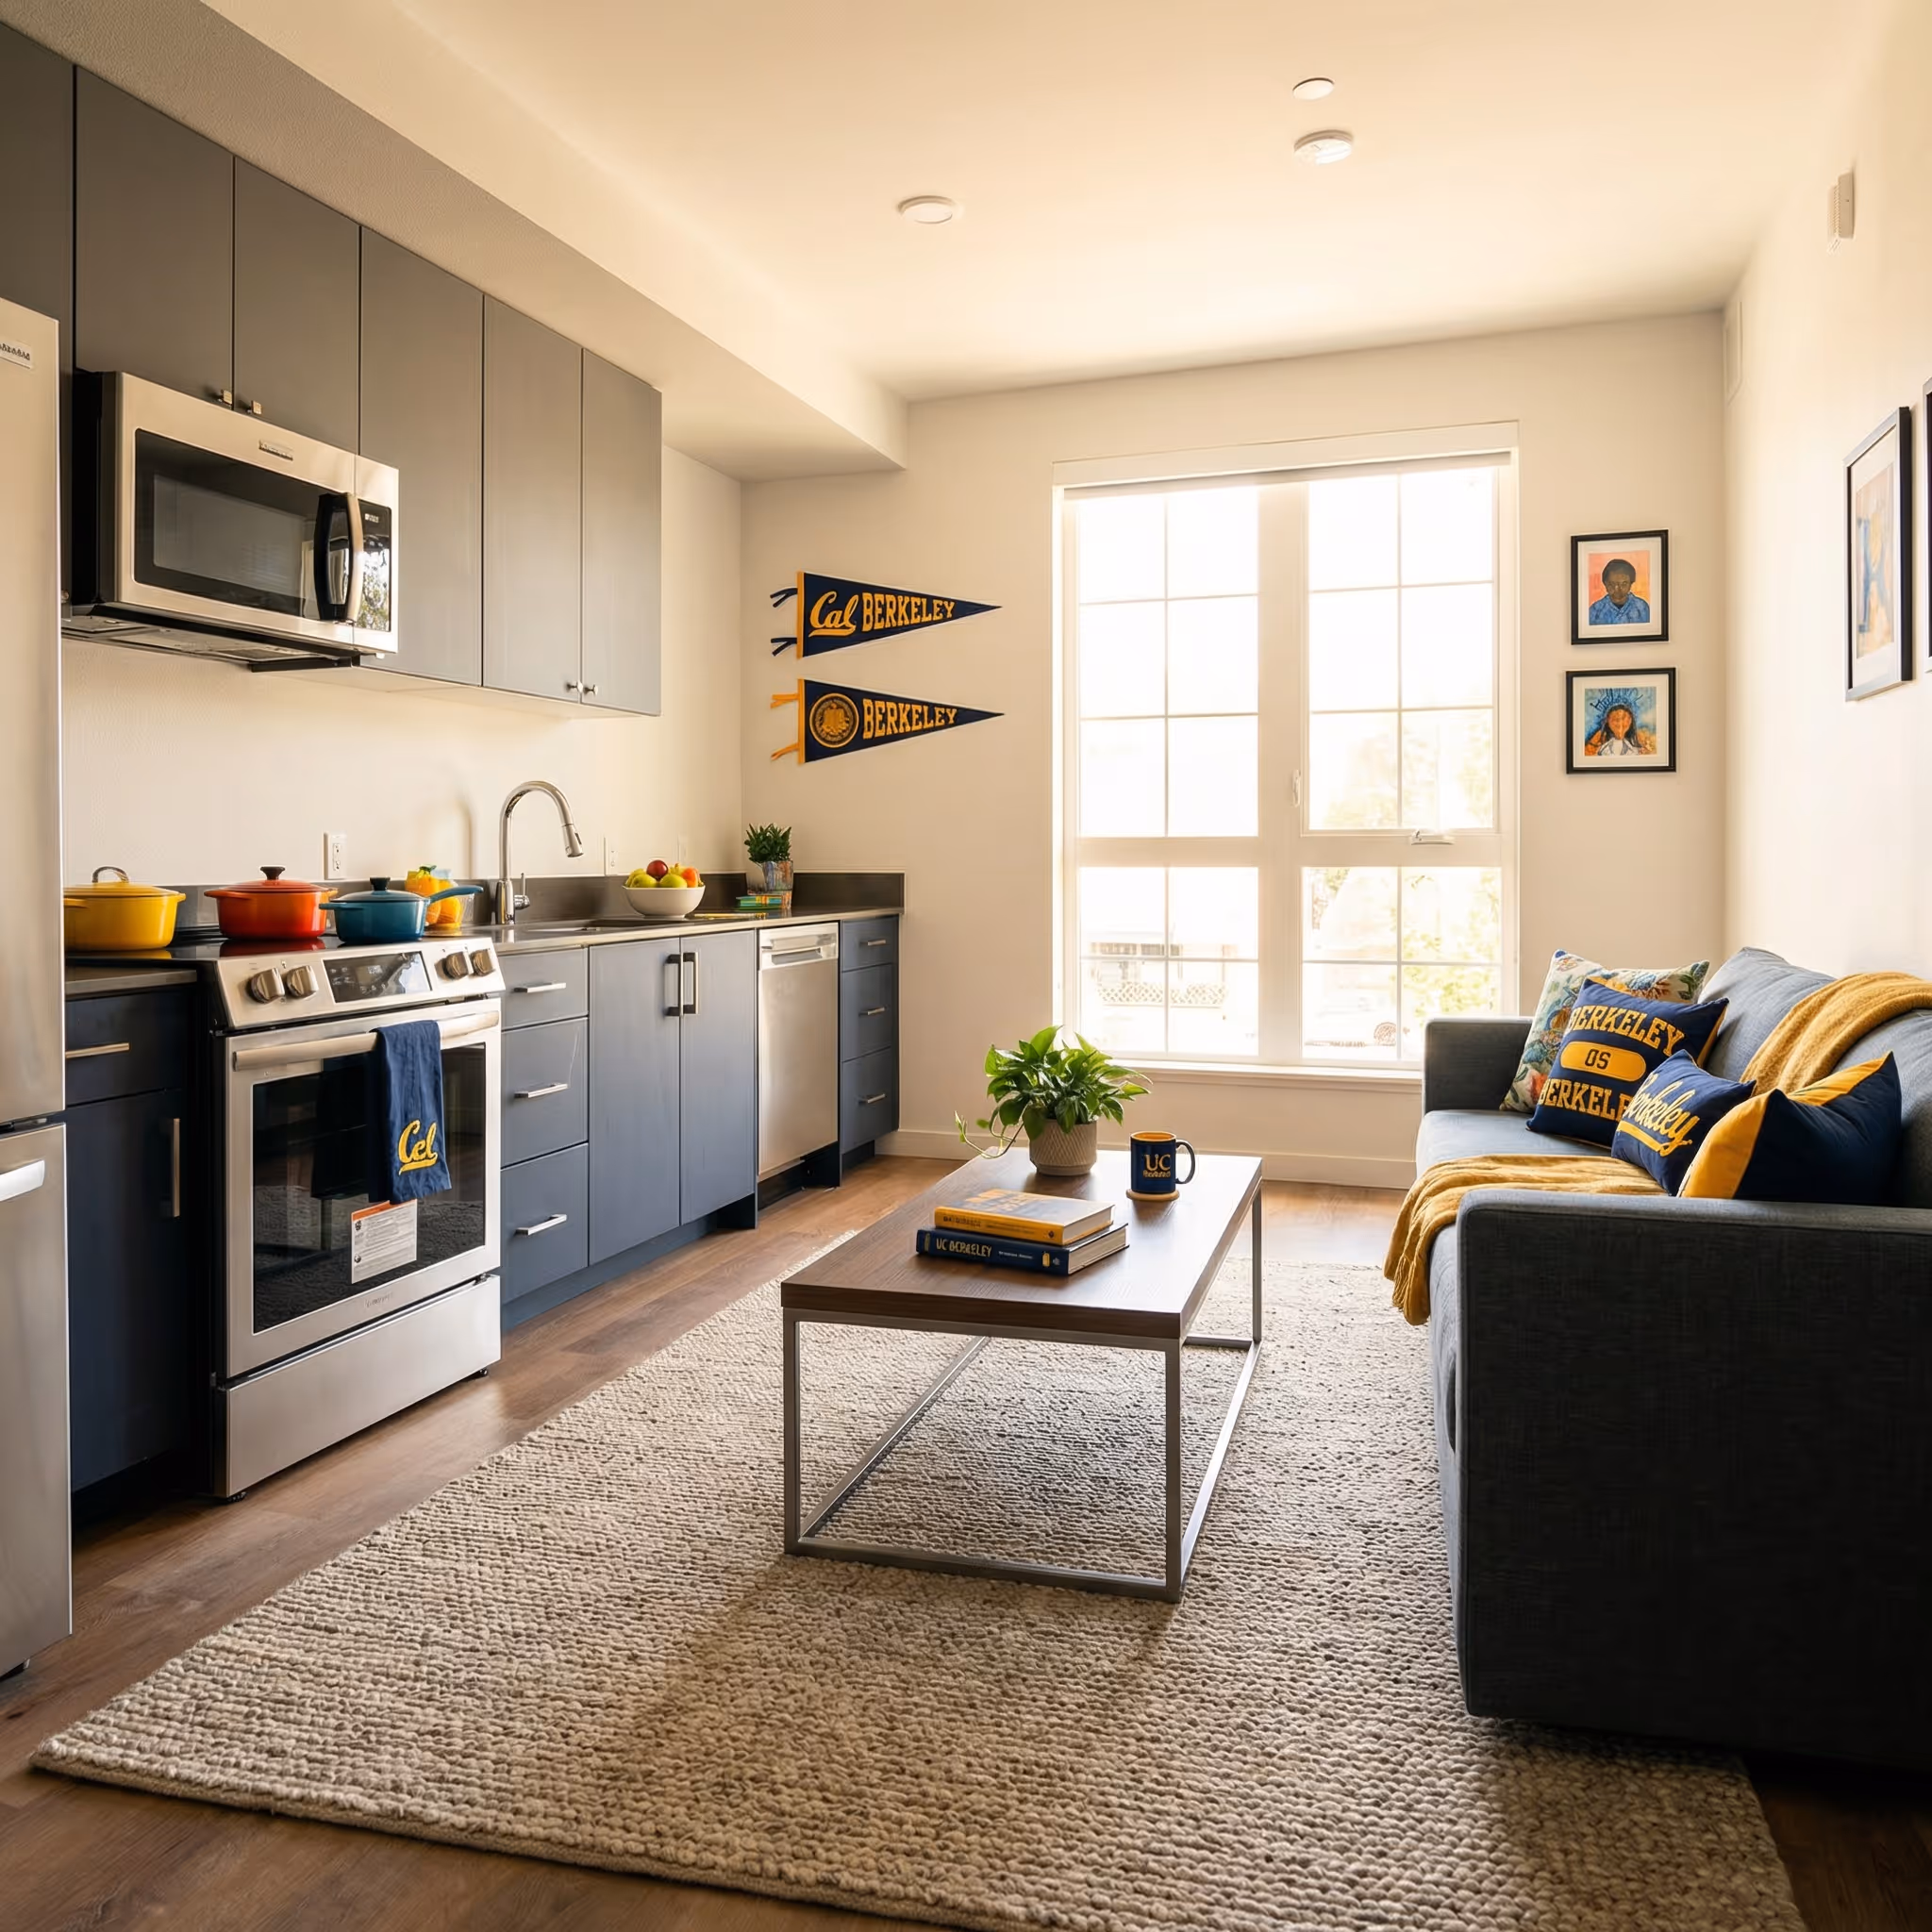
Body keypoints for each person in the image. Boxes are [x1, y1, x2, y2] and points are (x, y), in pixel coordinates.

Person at [1588, 558, 1651, 626]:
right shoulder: (1596, 610)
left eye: (1624, 584)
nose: (1617, 589)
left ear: (1631, 584)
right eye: (1612, 584)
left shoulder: (1641, 608)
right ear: (1605, 584)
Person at [1584, 699, 1656, 759]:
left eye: (1624, 719)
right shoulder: (1603, 749)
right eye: (1616, 719)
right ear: (1608, 722)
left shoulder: (1634, 749)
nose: (1620, 724)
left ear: (1630, 721)